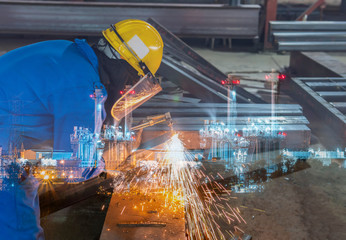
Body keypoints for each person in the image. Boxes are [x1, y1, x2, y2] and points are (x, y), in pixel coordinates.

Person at [0, 19, 163, 239]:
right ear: (122, 69)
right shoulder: (85, 90)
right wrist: (110, 168)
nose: (125, 90)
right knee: (20, 230)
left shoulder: (69, 54)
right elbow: (77, 168)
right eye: (130, 83)